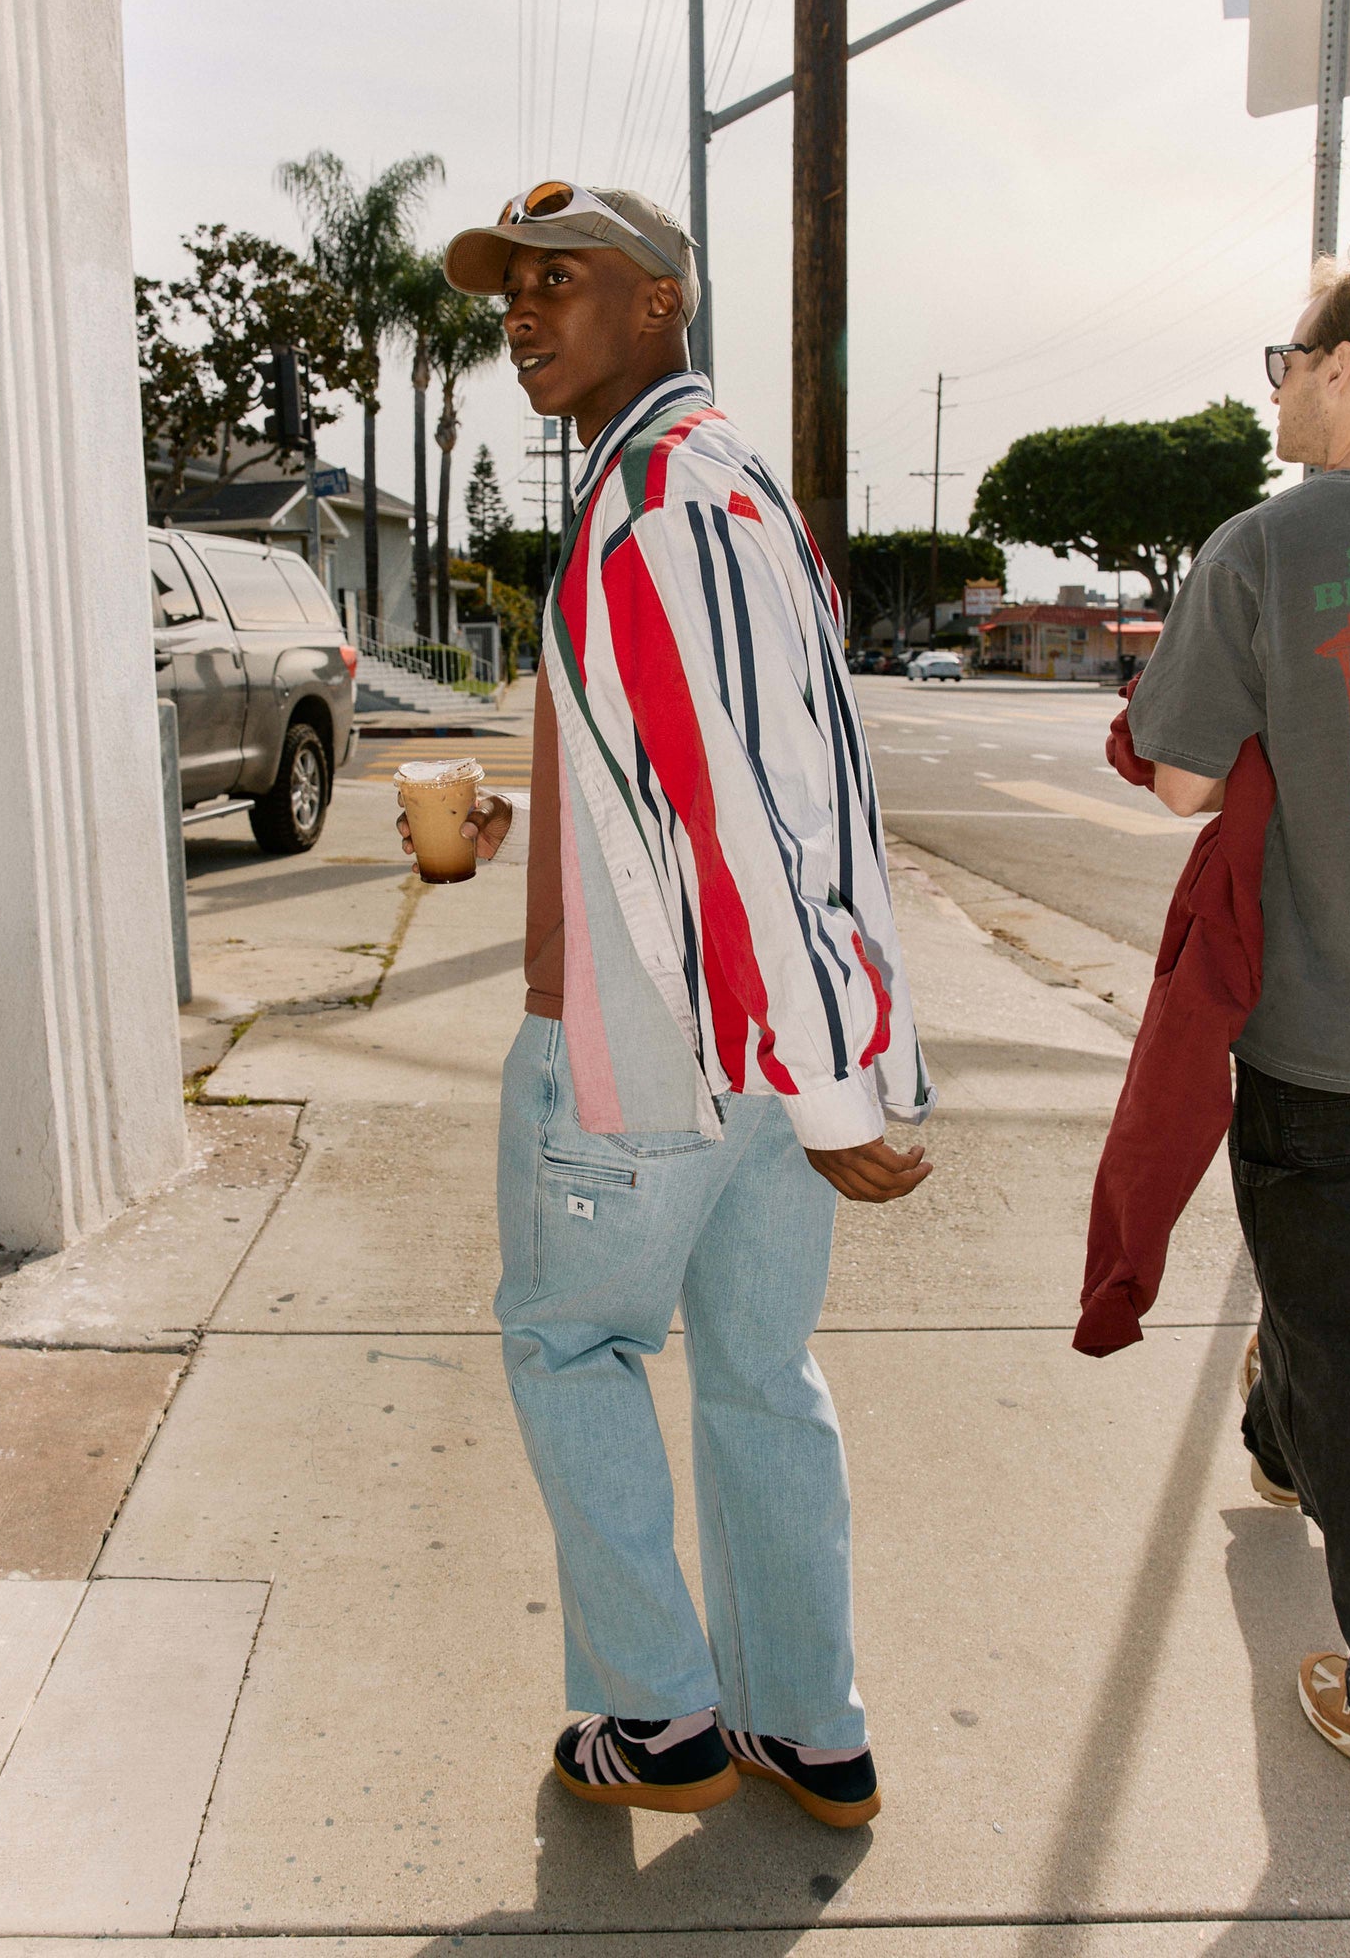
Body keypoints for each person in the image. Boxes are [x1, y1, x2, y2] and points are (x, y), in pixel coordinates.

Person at [399, 180, 934, 1828]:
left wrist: (844, 1099)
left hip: (647, 1049)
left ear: (661, 304)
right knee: (763, 1370)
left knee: (568, 1345)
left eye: (565, 280)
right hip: (776, 1051)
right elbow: (718, 768)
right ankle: (807, 1724)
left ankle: (661, 1718)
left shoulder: (646, 511)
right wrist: (519, 811)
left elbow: (731, 821)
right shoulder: (731, 491)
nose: (525, 315)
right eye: (512, 294)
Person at [1128, 254, 1350, 1766]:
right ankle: (1280, 1435)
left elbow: (1185, 778)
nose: (1272, 379)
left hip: (1320, 1046)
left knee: (1339, 1332)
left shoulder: (1266, 548)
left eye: (1288, 352)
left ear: (1343, 367)